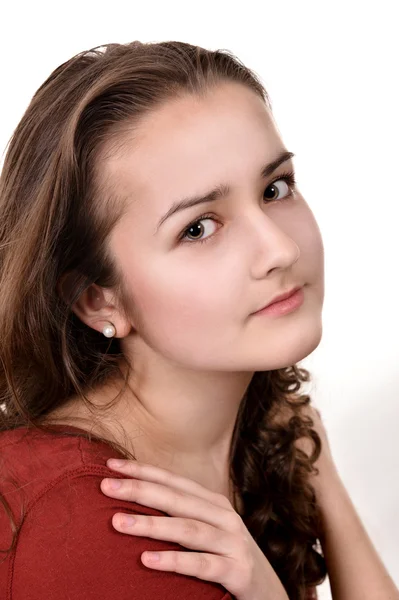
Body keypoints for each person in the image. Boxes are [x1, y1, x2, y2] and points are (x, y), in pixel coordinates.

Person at [0, 41, 397, 600]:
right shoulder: (89, 528)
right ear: (98, 300)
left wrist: (317, 468)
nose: (279, 248)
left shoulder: (264, 442)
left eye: (274, 188)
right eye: (198, 228)